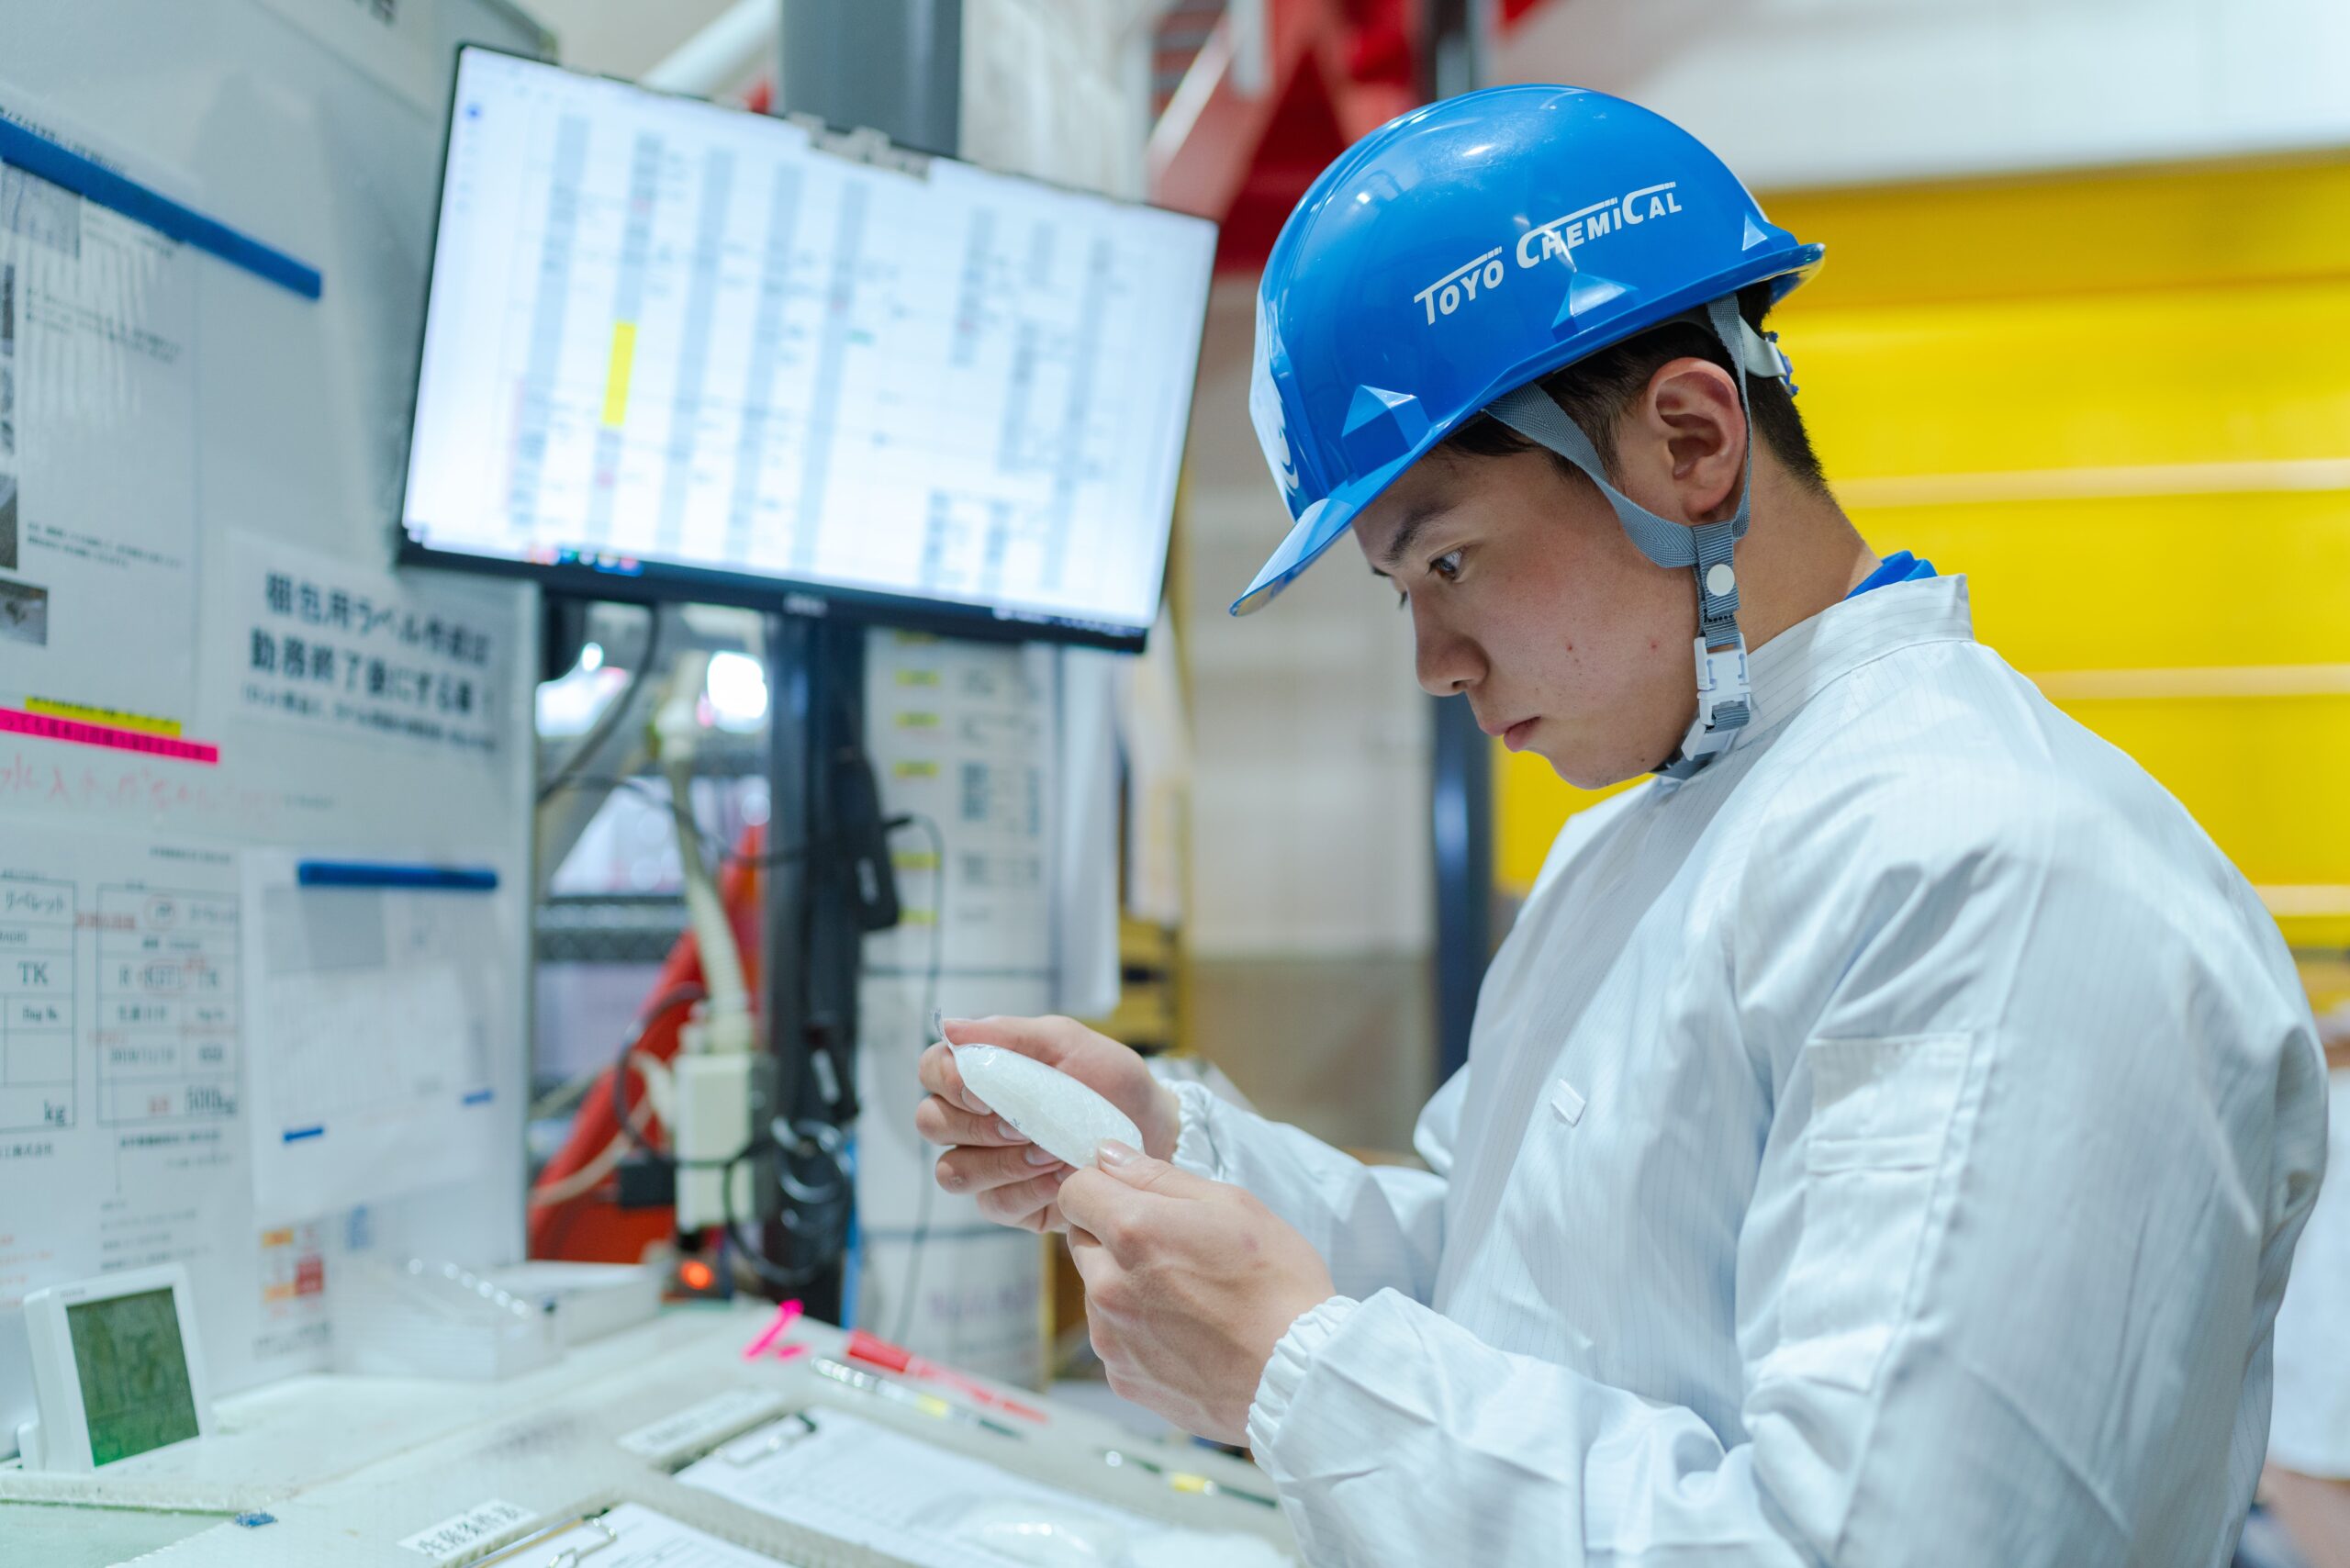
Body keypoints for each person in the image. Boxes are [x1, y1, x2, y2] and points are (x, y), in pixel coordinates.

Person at [916, 85, 2329, 1565]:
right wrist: (1176, 1155)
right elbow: (1499, 1272)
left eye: (1450, 559)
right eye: (1408, 593)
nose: (1434, 664)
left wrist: (1296, 1370)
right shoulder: (1643, 838)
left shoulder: (2003, 875)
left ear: (1689, 442)